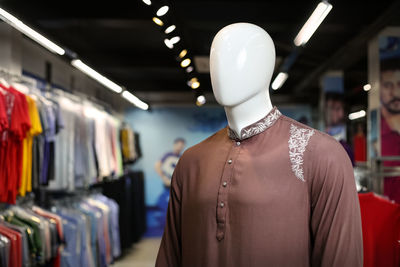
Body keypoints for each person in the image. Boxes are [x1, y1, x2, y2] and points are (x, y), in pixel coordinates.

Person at [380, 57, 400, 203]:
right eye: (388, 85)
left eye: (399, 84)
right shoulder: (377, 136)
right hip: (388, 209)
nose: (395, 93)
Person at [154, 138, 186, 226]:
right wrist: (164, 178)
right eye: (179, 145)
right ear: (175, 144)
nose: (180, 147)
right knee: (166, 205)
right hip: (167, 186)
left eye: (182, 145)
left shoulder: (182, 157)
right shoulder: (168, 155)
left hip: (178, 186)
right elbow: (157, 166)